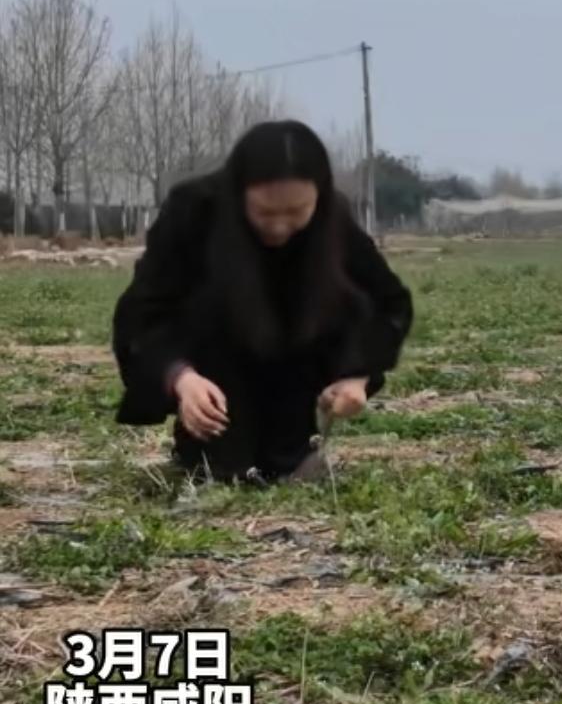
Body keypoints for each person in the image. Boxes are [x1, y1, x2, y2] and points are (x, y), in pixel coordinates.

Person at [113, 121, 413, 482]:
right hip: (215, 358)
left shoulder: (332, 215)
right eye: (266, 213)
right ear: (239, 193)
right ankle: (202, 439)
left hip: (300, 357)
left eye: (297, 212)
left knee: (286, 465)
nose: (280, 227)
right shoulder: (195, 209)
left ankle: (296, 441)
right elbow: (145, 310)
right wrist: (180, 378)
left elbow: (387, 302)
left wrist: (358, 376)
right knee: (222, 468)